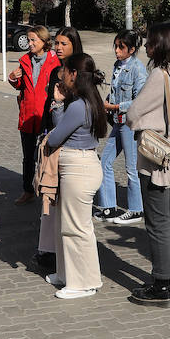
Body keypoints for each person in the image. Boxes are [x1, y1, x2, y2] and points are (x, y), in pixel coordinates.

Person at [126, 22, 170, 308]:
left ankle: (162, 282)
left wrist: (136, 122)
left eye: (149, 41)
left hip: (156, 160)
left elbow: (134, 111)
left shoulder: (158, 74)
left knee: (157, 222)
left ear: (160, 44)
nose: (146, 45)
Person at [41, 53, 108, 299]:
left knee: (76, 228)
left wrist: (57, 105)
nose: (61, 75)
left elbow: (56, 136)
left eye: (65, 71)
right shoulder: (84, 100)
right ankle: (66, 273)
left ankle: (84, 283)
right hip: (78, 165)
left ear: (74, 74)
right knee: (64, 224)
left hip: (78, 168)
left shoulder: (79, 105)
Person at [35, 27, 84, 272]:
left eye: (63, 43)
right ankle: (47, 250)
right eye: (56, 43)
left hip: (69, 143)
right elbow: (49, 104)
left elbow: (73, 112)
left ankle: (60, 255)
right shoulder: (56, 71)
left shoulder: (80, 73)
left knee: (62, 202)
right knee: (49, 200)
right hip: (51, 135)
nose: (58, 47)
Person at [94, 30, 148, 225]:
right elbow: (116, 91)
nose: (116, 51)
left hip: (130, 123)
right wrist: (109, 102)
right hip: (117, 122)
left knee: (131, 168)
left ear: (132, 49)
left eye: (121, 47)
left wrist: (115, 106)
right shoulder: (118, 65)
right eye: (115, 46)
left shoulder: (138, 68)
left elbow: (140, 100)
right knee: (105, 162)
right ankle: (109, 206)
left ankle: (136, 209)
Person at [7, 26, 58, 206]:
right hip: (28, 115)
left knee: (47, 155)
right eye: (29, 40)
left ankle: (48, 191)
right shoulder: (25, 60)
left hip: (47, 115)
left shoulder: (55, 61)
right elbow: (20, 85)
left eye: (33, 40)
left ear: (44, 41)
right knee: (28, 157)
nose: (29, 43)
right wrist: (13, 78)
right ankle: (28, 190)